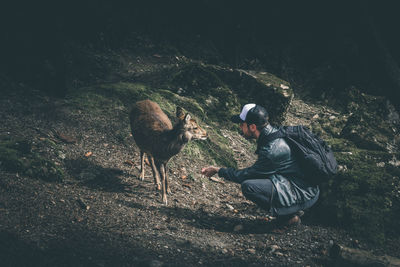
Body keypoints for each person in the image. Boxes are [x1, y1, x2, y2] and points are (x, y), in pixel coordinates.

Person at [201, 103, 320, 229]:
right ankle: (293, 209)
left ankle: (289, 217)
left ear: (252, 127)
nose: (240, 127)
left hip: (304, 192)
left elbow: (246, 175)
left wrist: (218, 170)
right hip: (305, 186)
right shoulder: (274, 134)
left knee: (249, 186)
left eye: (242, 124)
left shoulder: (271, 150)